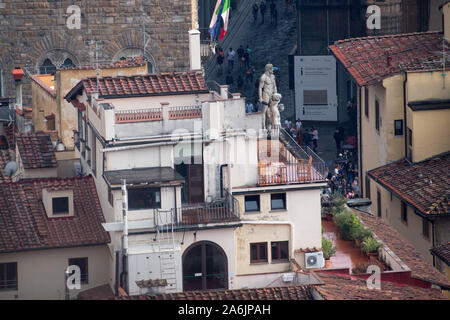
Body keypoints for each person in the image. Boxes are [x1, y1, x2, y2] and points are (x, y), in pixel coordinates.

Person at [259, 63, 277, 129]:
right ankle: (263, 126)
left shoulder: (273, 76)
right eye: (271, 68)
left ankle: (270, 126)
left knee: (272, 111)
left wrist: (276, 93)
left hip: (272, 94)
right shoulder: (263, 77)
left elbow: (275, 86)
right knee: (264, 111)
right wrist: (260, 97)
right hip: (266, 93)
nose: (272, 70)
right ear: (268, 69)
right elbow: (260, 88)